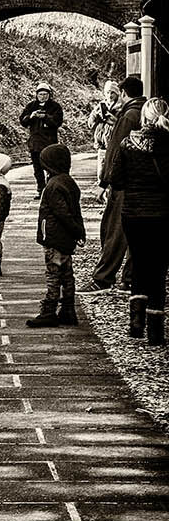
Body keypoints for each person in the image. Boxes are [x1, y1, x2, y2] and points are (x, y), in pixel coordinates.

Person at [107, 95, 169, 344]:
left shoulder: (127, 143)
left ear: (144, 117)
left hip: (133, 215)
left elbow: (116, 180)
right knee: (159, 268)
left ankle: (136, 324)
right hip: (163, 215)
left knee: (140, 263)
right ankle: (155, 332)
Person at [88, 74, 145, 291]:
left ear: (123, 93)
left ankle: (103, 277)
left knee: (114, 230)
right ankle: (130, 278)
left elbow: (115, 150)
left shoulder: (129, 115)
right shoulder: (144, 112)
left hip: (124, 183)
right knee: (136, 234)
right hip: (142, 183)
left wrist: (104, 182)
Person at [26, 143, 86, 327]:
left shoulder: (53, 186)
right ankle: (68, 310)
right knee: (67, 274)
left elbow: (62, 213)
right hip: (66, 239)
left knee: (53, 275)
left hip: (54, 238)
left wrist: (75, 230)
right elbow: (75, 211)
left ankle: (49, 311)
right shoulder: (69, 182)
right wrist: (79, 231)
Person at [19, 82, 65, 195]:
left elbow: (57, 122)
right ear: (36, 95)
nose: (43, 97)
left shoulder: (55, 106)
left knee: (51, 167)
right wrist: (31, 116)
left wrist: (45, 117)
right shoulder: (31, 106)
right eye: (40, 94)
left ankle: (51, 189)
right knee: (37, 168)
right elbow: (23, 121)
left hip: (50, 141)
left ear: (49, 95)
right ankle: (40, 189)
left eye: (45, 94)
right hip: (35, 142)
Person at [88, 80, 120, 196]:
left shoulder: (121, 108)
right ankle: (103, 195)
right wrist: (95, 116)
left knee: (113, 171)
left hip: (114, 144)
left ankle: (110, 196)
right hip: (101, 144)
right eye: (107, 92)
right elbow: (90, 124)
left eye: (112, 93)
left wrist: (113, 119)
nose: (110, 95)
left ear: (117, 94)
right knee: (101, 171)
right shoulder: (100, 106)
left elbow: (121, 126)